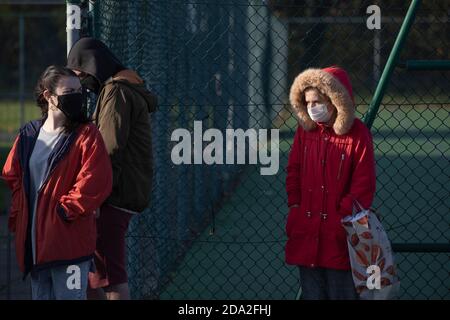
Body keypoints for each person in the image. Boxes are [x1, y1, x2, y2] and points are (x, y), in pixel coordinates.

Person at [2, 65, 112, 300]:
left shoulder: (87, 134)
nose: (77, 96)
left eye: (78, 90)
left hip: (69, 244)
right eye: (68, 91)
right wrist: (21, 210)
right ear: (49, 96)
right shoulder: (29, 134)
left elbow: (95, 180)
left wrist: (64, 211)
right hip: (35, 247)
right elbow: (12, 174)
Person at [67, 37, 157, 300]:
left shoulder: (116, 91)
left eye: (82, 75)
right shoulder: (122, 86)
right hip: (119, 191)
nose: (82, 82)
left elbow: (109, 148)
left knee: (111, 278)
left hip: (114, 195)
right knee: (97, 274)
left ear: (93, 67)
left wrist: (94, 195)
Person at [285, 66, 376, 300]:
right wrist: (295, 206)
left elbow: (363, 182)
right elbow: (294, 170)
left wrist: (343, 214)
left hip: (341, 234)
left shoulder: (357, 134)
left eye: (317, 101)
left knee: (342, 292)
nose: (312, 107)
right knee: (312, 292)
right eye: (307, 102)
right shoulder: (305, 132)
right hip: (307, 229)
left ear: (334, 100)